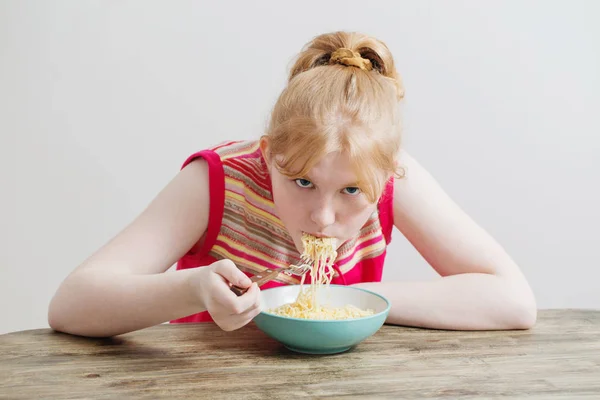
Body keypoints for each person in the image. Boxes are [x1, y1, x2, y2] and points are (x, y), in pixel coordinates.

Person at [48, 31, 536, 337]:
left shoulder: (390, 175)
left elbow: (513, 301)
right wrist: (193, 289)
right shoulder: (217, 180)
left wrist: (352, 303)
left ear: (386, 176)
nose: (323, 216)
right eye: (302, 180)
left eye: (350, 192)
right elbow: (72, 305)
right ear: (268, 154)